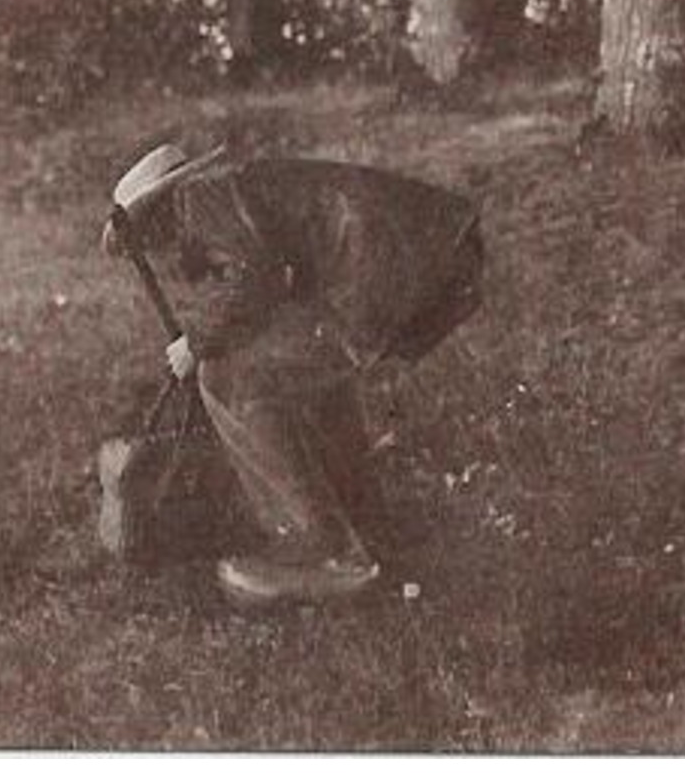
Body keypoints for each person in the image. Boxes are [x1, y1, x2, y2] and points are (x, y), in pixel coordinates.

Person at [101, 144, 484, 606]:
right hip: (433, 253)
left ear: (155, 211)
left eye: (147, 238)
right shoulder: (230, 187)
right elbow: (263, 280)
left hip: (387, 271)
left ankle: (324, 552)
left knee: (230, 377)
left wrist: (197, 343)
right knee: (301, 368)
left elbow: (251, 280)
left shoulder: (199, 198)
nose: (157, 250)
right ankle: (365, 525)